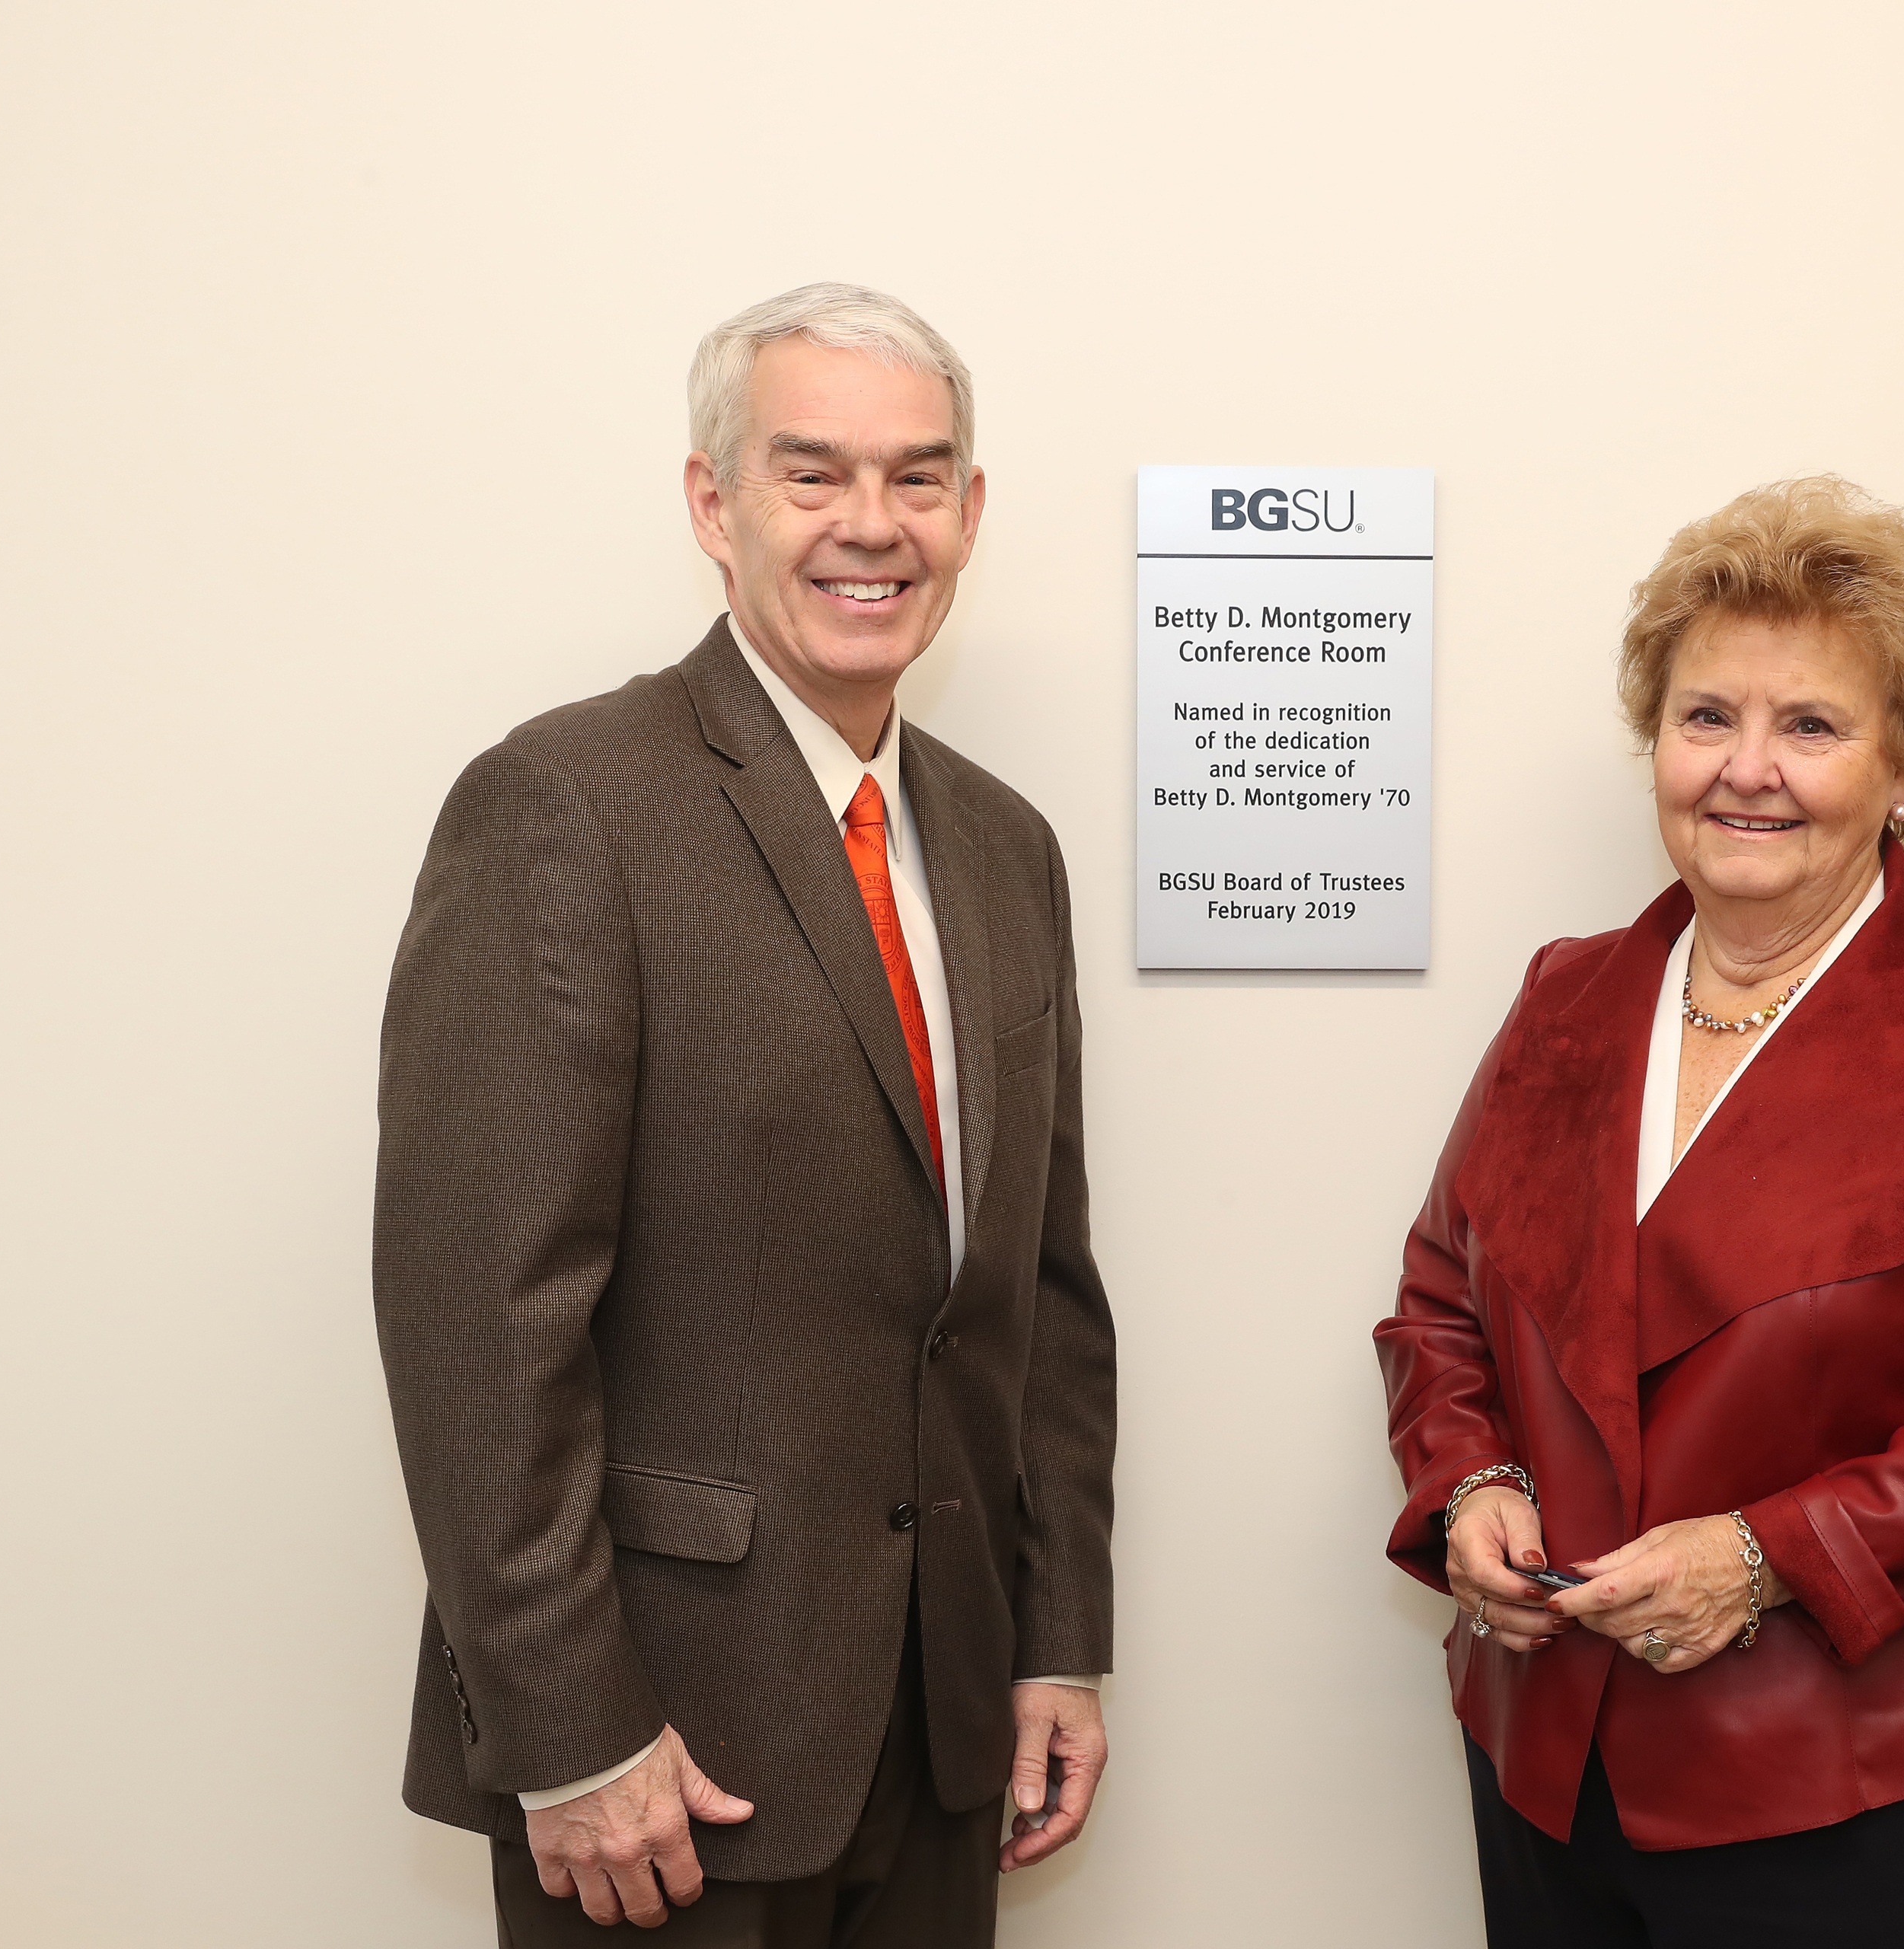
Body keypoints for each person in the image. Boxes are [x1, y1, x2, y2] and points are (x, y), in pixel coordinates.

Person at [374, 282, 1116, 1945]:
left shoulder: (1006, 850)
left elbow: (1038, 1293)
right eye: (814, 474)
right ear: (714, 503)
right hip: (663, 1760)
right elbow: (478, 1323)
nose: (876, 525)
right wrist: (568, 1729)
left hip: (941, 1733)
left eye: (921, 479)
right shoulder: (565, 805)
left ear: (972, 512)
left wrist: (1053, 1632)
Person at [1375, 477, 1904, 1947]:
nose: (1748, 770)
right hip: (1557, 1768)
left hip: (1898, 1795)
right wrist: (1471, 1480)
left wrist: (1761, 1557)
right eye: (1705, 719)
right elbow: (1441, 1293)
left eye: (1810, 726)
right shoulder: (1568, 998)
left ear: (1901, 763)